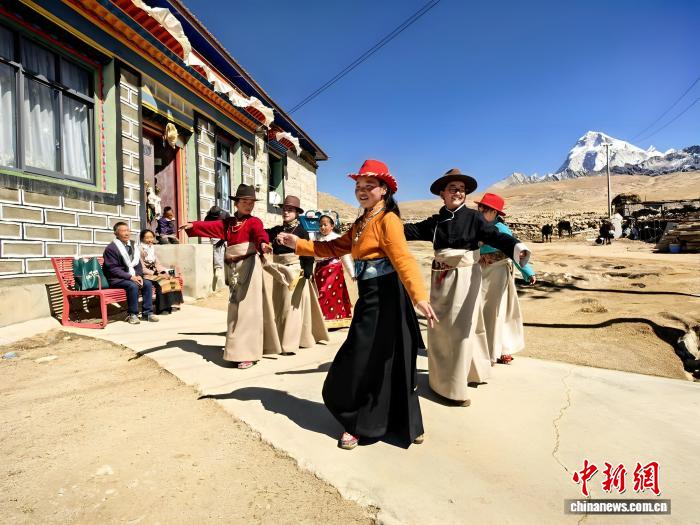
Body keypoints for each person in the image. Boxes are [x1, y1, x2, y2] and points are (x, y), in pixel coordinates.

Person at [277, 159, 437, 450]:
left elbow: (403, 259)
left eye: (369, 186)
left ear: (384, 190)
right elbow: (333, 247)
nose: (361, 191)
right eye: (358, 186)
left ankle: (375, 423)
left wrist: (419, 297)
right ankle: (388, 421)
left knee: (376, 359)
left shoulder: (388, 220)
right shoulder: (362, 222)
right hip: (370, 296)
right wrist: (297, 244)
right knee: (369, 358)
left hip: (387, 296)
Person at [404, 173, 530, 406]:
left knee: (460, 331)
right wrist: (384, 227)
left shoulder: (474, 218)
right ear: (442, 194)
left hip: (465, 279)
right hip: (439, 281)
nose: (458, 192)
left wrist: (516, 246)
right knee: (440, 331)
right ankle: (449, 378)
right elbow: (408, 231)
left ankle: (454, 389)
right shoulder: (435, 222)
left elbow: (495, 235)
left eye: (461, 189)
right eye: (452, 188)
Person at [180, 184, 276, 369]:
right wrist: (193, 226)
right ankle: (236, 350)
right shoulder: (229, 223)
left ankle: (248, 354)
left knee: (248, 312)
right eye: (245, 201)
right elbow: (211, 226)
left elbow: (260, 235)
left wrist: (264, 244)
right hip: (233, 270)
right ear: (236, 203)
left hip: (249, 268)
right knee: (235, 311)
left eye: (251, 202)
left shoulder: (254, 222)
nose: (248, 205)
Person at [476, 193, 536, 366]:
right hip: (480, 273)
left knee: (499, 311)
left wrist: (527, 272)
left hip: (499, 274)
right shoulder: (476, 226)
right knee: (481, 312)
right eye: (480, 208)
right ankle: (482, 348)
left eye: (484, 209)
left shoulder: (502, 229)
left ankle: (503, 349)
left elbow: (515, 252)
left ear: (494, 212)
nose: (480, 212)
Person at [265, 195, 329, 355]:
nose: (286, 212)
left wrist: (307, 272)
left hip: (294, 272)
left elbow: (307, 252)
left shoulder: (301, 231)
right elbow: (262, 234)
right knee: (279, 306)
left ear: (297, 213)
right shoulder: (276, 230)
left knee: (290, 307)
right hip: (278, 271)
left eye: (290, 210)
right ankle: (283, 338)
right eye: (284, 209)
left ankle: (288, 345)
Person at [103, 222, 158, 324]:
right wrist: (130, 277)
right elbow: (113, 269)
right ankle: (132, 314)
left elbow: (137, 264)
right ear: (116, 233)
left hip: (132, 276)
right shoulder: (111, 248)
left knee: (147, 283)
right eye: (123, 231)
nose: (127, 233)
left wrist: (138, 275)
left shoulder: (132, 245)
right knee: (132, 285)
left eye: (128, 230)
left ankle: (147, 313)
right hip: (116, 279)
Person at [314, 214, 355, 328]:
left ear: (332, 226)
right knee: (320, 293)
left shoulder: (337, 238)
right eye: (320, 225)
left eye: (325, 225)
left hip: (334, 270)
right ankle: (324, 321)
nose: (322, 227)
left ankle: (329, 320)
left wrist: (352, 273)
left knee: (327, 294)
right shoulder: (316, 238)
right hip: (320, 271)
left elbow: (345, 256)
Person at [138, 229, 184, 315]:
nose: (150, 240)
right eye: (147, 238)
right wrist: (158, 274)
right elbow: (142, 268)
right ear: (142, 239)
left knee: (172, 278)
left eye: (151, 237)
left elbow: (157, 264)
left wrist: (166, 271)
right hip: (146, 274)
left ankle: (172, 304)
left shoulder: (151, 248)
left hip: (155, 272)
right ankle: (162, 308)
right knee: (162, 281)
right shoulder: (139, 250)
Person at [204, 206, 230, 291]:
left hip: (225, 236)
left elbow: (230, 228)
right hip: (215, 236)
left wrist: (224, 238)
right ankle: (218, 267)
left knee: (227, 254)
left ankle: (228, 276)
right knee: (217, 248)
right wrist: (211, 236)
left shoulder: (225, 215)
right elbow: (205, 228)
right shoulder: (208, 217)